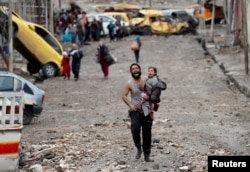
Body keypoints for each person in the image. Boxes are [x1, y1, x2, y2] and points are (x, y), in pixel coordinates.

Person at [122, 63, 154, 162]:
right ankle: (138, 147)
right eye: (133, 69)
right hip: (135, 111)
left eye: (136, 68)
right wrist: (130, 105)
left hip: (147, 111)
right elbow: (124, 96)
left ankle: (147, 155)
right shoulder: (129, 83)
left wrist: (152, 109)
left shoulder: (147, 80)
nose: (135, 70)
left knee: (147, 133)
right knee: (135, 130)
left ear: (140, 70)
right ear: (131, 72)